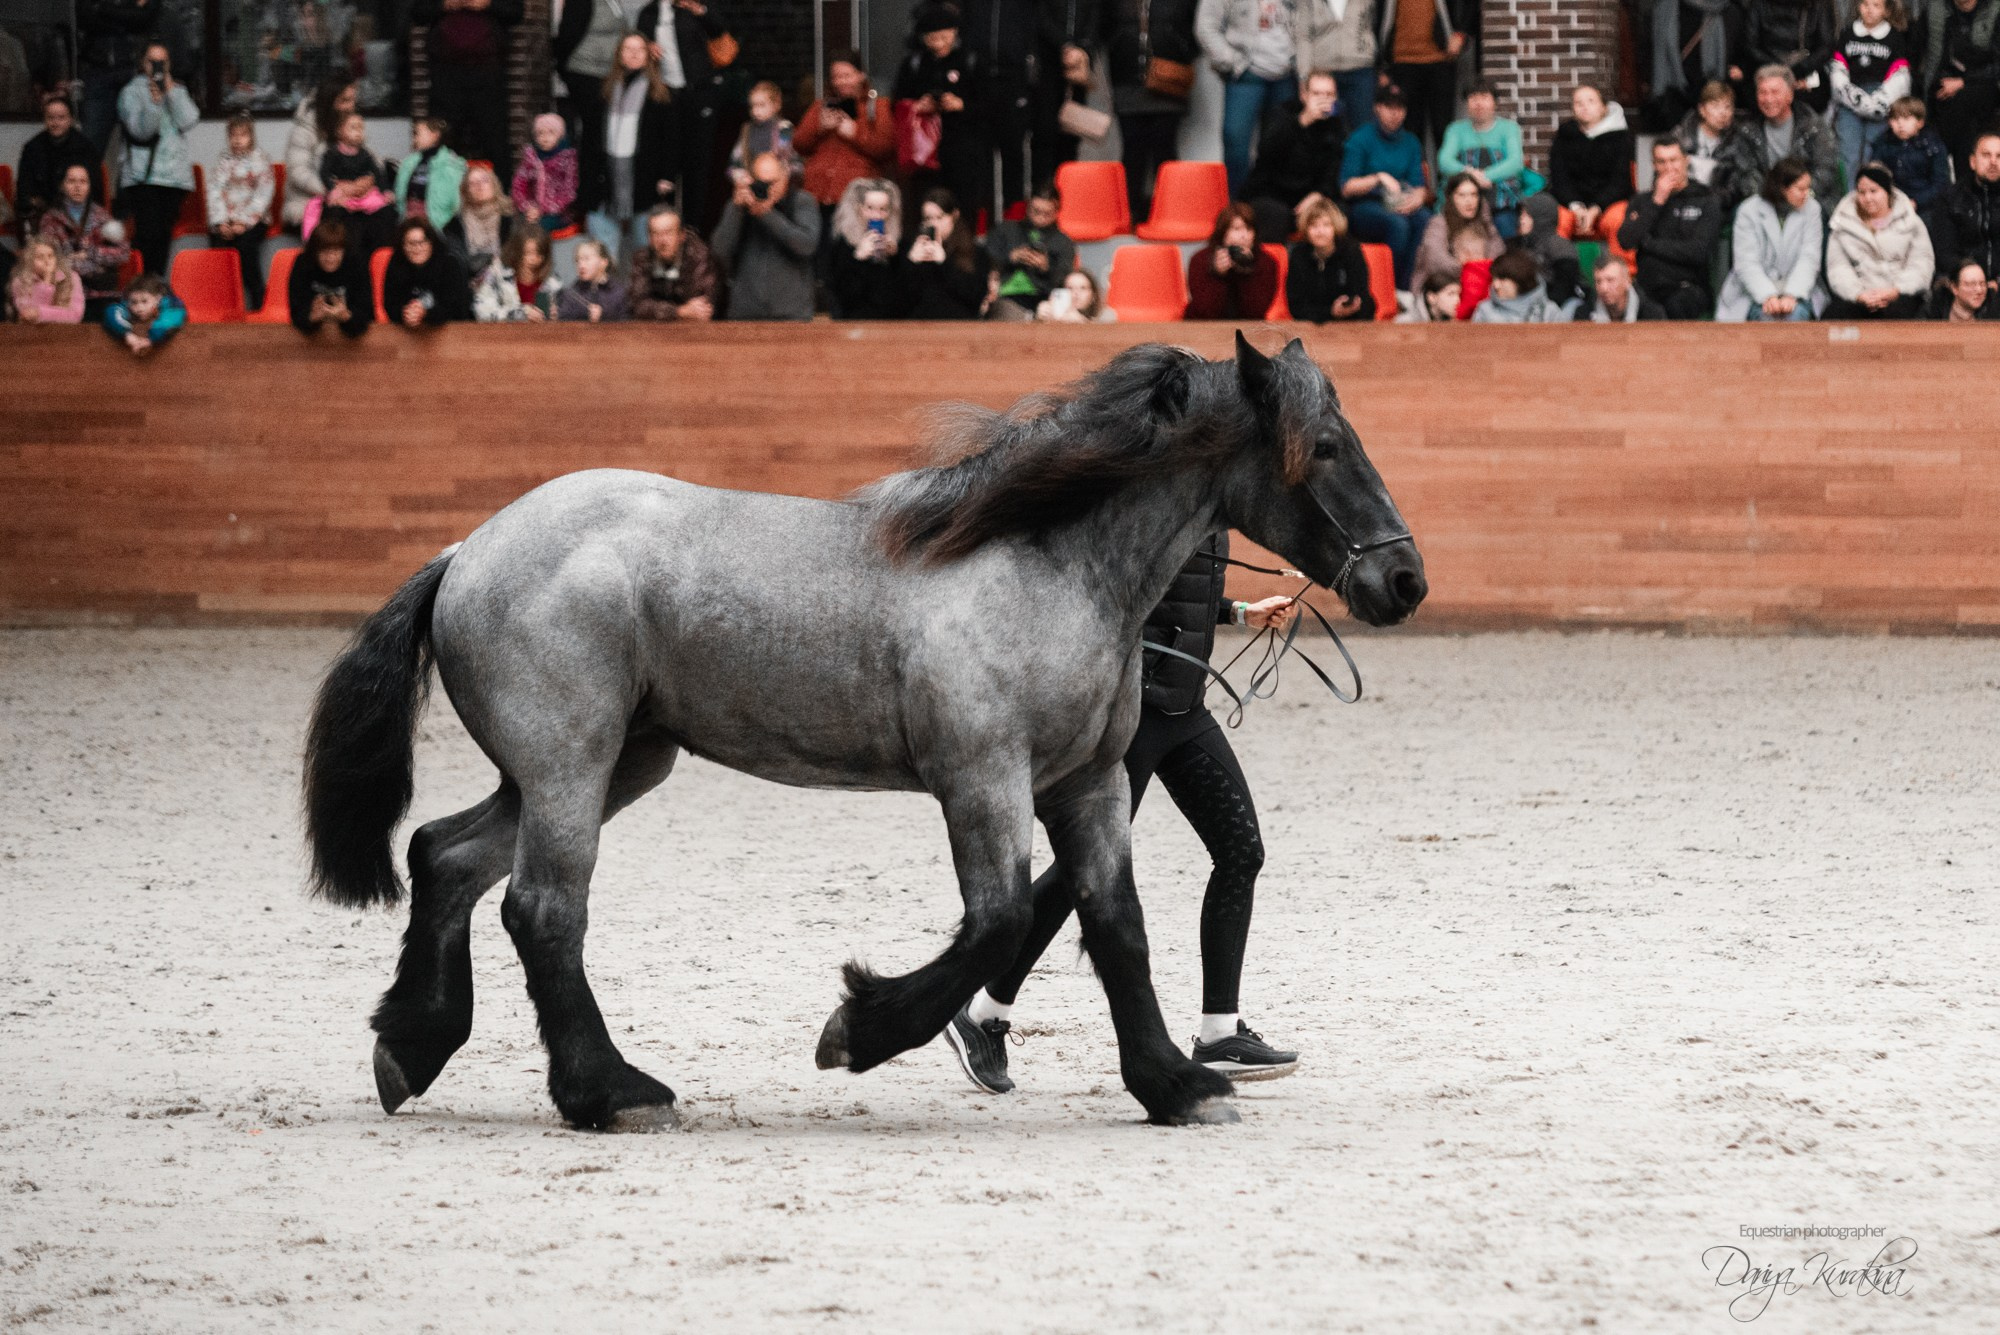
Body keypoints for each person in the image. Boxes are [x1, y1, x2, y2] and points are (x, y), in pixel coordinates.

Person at [944, 537, 1305, 1095]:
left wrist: (1239, 611)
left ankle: (1220, 1033)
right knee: (1082, 872)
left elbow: (1184, 591)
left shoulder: (1207, 505)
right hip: (1130, 714)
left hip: (1185, 712)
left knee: (1241, 851)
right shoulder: (1163, 487)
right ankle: (985, 1010)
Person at [633, 0, 737, 230]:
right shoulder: (647, 14)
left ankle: (693, 231)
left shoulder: (691, 6)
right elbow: (636, 46)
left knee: (697, 167)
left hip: (698, 94)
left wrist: (701, 11)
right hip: (666, 96)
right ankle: (666, 229)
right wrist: (647, 46)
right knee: (666, 166)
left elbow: (720, 29)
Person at [1102, 0, 1200, 223]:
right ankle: (1130, 213)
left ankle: (1170, 213)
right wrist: (1119, 45)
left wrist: (1179, 48)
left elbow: (1198, 29)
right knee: (1132, 149)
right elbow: (1103, 26)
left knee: (1164, 149)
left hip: (1168, 79)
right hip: (1126, 78)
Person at [1196, 0, 1301, 196]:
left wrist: (1301, 63)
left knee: (1281, 145)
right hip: (1246, 75)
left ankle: (1273, 207)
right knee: (1235, 144)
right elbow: (1205, 26)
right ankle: (1239, 213)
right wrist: (1232, 60)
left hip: (1287, 75)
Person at [894, 4, 987, 218]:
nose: (939, 44)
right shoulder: (915, 64)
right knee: (926, 205)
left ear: (955, 33)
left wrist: (961, 105)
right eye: (932, 39)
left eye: (945, 38)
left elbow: (991, 105)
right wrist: (918, 106)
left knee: (964, 209)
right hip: (925, 152)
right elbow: (898, 103)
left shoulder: (971, 60)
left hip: (963, 149)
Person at [117, 40, 199, 275]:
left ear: (169, 64)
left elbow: (189, 120)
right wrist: (155, 104)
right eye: (152, 61)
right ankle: (141, 286)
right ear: (144, 63)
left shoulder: (178, 89)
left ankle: (156, 286)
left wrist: (171, 91)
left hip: (174, 178)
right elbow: (140, 131)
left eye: (162, 62)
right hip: (143, 177)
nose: (157, 66)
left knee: (163, 236)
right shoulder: (130, 92)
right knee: (147, 235)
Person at [592, 32, 677, 259]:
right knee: (603, 248)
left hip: (645, 176)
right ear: (619, 54)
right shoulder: (605, 91)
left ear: (648, 55)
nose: (633, 54)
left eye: (639, 49)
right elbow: (592, 137)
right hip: (609, 176)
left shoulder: (660, 94)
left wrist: (667, 175)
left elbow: (670, 140)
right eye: (628, 49)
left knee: (646, 248)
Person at [409, 0, 523, 170]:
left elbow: (516, 13)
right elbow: (418, 13)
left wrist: (486, 4)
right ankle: (441, 191)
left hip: (488, 72)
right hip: (446, 73)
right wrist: (446, 5)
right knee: (442, 140)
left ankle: (500, 192)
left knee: (495, 140)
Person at [1617, 138, 1724, 318]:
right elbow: (1626, 241)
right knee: (1628, 302)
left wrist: (1649, 245)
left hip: (1687, 287)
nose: (1668, 168)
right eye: (1661, 161)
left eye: (1673, 160)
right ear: (1654, 165)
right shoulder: (1643, 201)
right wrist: (1657, 201)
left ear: (1685, 160)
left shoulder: (1706, 199)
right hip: (1647, 288)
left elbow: (1698, 252)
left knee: (1677, 305)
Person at [1242, 68, 1349, 244]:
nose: (1323, 100)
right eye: (1316, 93)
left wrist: (1319, 194)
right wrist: (1304, 121)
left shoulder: (1336, 124)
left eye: (1329, 94)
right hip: (1271, 193)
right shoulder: (1281, 113)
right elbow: (1267, 154)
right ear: (1303, 95)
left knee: (1340, 212)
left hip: (1310, 196)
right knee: (1276, 215)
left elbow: (1334, 168)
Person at [1340, 88, 1433, 288]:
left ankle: (1407, 288)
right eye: (1388, 107)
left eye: (1399, 108)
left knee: (1425, 219)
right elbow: (1346, 187)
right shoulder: (1360, 139)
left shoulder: (1411, 142)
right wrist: (1378, 178)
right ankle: (1387, 288)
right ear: (1377, 108)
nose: (1394, 113)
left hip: (1400, 202)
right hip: (1365, 205)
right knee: (1398, 225)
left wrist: (1417, 198)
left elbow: (1419, 185)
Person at [712, 150, 821, 321]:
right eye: (761, 183)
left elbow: (806, 245)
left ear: (786, 176)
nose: (767, 189)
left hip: (792, 314)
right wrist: (735, 210)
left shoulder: (802, 201)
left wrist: (767, 214)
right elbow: (719, 251)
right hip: (746, 313)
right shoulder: (740, 205)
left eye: (772, 182)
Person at [1716, 156, 1826, 320]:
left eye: (1808, 188)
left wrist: (1792, 294)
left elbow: (1809, 258)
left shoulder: (1812, 209)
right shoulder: (1749, 210)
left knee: (1795, 316)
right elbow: (1746, 262)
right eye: (1800, 189)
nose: (1806, 194)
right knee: (1766, 316)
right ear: (1782, 188)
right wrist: (1767, 295)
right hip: (1753, 291)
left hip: (1797, 288)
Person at [1719, 65, 1842, 211]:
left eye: (1775, 92)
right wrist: (1772, 198)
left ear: (1790, 95)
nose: (1768, 99)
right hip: (1764, 201)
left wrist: (1797, 195)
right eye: (1762, 92)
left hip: (1808, 200)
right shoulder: (1748, 131)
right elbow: (1745, 173)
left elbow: (1825, 170)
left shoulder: (1813, 127)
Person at [1824, 162, 1935, 318]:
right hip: (1860, 297)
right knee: (1832, 316)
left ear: (1887, 192)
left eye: (1873, 191)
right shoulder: (1842, 223)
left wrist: (1896, 291)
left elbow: (1921, 263)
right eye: (1862, 192)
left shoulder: (1911, 221)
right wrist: (1859, 294)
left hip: (1901, 294)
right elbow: (1838, 268)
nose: (1867, 198)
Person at [793, 51, 898, 213]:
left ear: (861, 75)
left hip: (856, 196)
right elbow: (799, 144)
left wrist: (855, 133)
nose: (841, 82)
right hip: (818, 193)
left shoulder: (877, 106)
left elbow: (886, 148)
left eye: (847, 75)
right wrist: (820, 129)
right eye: (837, 77)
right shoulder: (821, 106)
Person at [1831, 0, 1915, 181]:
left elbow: (1900, 76)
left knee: (1873, 150)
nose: (1869, 10)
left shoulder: (1894, 37)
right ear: (1858, 6)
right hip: (1850, 98)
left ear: (1886, 10)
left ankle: (1871, 195)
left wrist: (1876, 102)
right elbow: (1838, 71)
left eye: (1876, 5)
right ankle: (1849, 200)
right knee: (1848, 150)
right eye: (1865, 4)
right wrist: (1855, 98)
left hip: (1881, 100)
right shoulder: (1847, 34)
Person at [1917, 0, 2000, 178]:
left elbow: (1996, 66)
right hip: (1945, 83)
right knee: (1947, 104)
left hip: (1985, 84)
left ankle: (1949, 164)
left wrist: (1964, 81)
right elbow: (1917, 48)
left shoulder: (1994, 9)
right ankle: (1958, 172)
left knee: (1961, 104)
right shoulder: (1936, 9)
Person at [37, 163, 130, 317]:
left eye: (83, 181)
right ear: (62, 185)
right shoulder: (50, 219)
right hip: (65, 292)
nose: (77, 187)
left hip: (100, 292)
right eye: (72, 181)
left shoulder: (102, 216)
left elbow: (123, 253)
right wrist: (94, 265)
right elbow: (50, 259)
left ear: (90, 185)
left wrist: (91, 252)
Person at [1439, 78, 1527, 236]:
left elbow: (1515, 162)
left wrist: (1486, 176)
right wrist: (1471, 175)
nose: (1478, 103)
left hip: (1501, 201)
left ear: (1495, 103)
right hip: (1462, 202)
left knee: (1505, 228)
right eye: (1473, 98)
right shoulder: (1455, 130)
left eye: (1484, 97)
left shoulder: (1509, 128)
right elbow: (1444, 161)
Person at [1547, 82, 1634, 240]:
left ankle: (1618, 265)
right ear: (1573, 109)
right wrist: (1576, 206)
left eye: (1591, 101)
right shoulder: (1564, 136)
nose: (1584, 107)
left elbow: (1620, 181)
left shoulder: (1620, 138)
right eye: (1578, 103)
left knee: (1618, 221)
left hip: (1608, 203)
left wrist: (1596, 208)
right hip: (1571, 203)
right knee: (1556, 220)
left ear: (1604, 107)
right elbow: (1559, 177)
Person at [1380, 0, 1469, 154]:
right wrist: (1382, 65)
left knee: (1444, 131)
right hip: (1402, 62)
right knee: (1409, 134)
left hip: (1440, 60)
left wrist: (1461, 34)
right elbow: (1376, 16)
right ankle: (1414, 178)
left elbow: (1469, 7)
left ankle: (1448, 177)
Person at [206, 113, 275, 310]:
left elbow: (263, 194)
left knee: (245, 248)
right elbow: (214, 191)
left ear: (251, 137)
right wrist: (220, 222)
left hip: (253, 219)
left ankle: (258, 301)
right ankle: (222, 303)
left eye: (242, 135)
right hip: (226, 219)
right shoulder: (223, 161)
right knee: (218, 244)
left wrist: (243, 222)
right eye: (233, 135)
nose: (237, 140)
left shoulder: (261, 160)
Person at [77, 0, 159, 164]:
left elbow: (145, 18)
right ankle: (86, 189)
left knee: (137, 148)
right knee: (89, 148)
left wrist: (103, 10)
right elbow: (84, 17)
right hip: (98, 71)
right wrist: (127, 17)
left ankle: (128, 191)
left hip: (133, 72)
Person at [896, 187, 991, 319]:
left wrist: (944, 263)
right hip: (920, 328)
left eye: (939, 217)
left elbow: (976, 296)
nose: (933, 224)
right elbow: (900, 301)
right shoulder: (912, 248)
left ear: (954, 216)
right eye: (928, 218)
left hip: (959, 327)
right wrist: (911, 263)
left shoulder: (975, 252)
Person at [985, 179, 1076, 316]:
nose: (1040, 218)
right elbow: (984, 261)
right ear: (1028, 206)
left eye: (1047, 214)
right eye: (1036, 211)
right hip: (1005, 297)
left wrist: (1046, 267)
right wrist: (1010, 257)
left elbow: (1066, 280)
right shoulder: (1005, 231)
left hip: (1043, 298)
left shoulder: (1063, 242)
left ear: (1057, 211)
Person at [16, 94, 103, 235]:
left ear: (71, 119)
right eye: (50, 118)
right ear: (45, 119)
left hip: (78, 211)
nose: (55, 123)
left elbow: (95, 189)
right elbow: (24, 188)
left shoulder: (85, 148)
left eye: (61, 118)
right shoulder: (32, 148)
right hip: (42, 212)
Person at [314, 110, 397, 256]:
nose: (358, 132)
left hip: (364, 192)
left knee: (386, 210)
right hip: (342, 192)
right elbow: (324, 173)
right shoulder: (332, 153)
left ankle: (381, 257)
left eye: (361, 128)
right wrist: (333, 188)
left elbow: (378, 173)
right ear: (340, 132)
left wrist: (385, 191)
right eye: (353, 128)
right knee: (334, 211)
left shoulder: (365, 154)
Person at [1410, 170, 1503, 300]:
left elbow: (1498, 252)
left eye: (1473, 195)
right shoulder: (1439, 223)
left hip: (1477, 284)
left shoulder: (1484, 222)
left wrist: (1479, 270)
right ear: (1452, 198)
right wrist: (1471, 269)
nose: (1469, 201)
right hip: (1440, 287)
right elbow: (1435, 259)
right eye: (1462, 195)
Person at [1735, 0, 1839, 113]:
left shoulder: (1819, 5)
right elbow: (1750, 46)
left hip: (1806, 71)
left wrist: (1798, 71)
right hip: (1766, 70)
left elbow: (1826, 47)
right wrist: (1781, 73)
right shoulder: (1759, 4)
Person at [1650, 0, 1744, 125]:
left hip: (1714, 96)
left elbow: (1741, 51)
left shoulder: (1729, 11)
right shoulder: (1665, 8)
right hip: (1674, 94)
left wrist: (1739, 71)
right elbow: (1652, 51)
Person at [1285, 196, 1375, 321]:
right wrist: (1330, 312)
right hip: (1311, 326)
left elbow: (1362, 294)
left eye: (1327, 225)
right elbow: (1296, 305)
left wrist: (1352, 306)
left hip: (1351, 323)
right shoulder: (1298, 255)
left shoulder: (1351, 251)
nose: (1320, 231)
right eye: (1314, 226)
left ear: (1335, 227)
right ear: (1306, 228)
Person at [1293, 0, 1378, 131]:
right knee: (1323, 129)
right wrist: (1304, 75)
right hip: (1323, 73)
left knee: (1362, 130)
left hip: (1360, 70)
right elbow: (1303, 35)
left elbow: (1378, 21)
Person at [285, 76, 357, 230]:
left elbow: (365, 159)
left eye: (352, 100)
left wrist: (365, 182)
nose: (351, 107)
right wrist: (331, 190)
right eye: (345, 100)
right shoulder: (304, 130)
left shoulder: (348, 127)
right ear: (329, 102)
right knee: (343, 220)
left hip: (344, 200)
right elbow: (298, 172)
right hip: (305, 205)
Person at [827, 177, 905, 318]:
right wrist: (858, 258)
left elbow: (904, 297)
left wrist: (895, 258)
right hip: (853, 324)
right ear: (859, 208)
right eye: (870, 208)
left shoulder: (897, 242)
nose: (876, 216)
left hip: (890, 326)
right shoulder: (843, 244)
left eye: (883, 209)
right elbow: (842, 297)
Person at [626, 205, 721, 320]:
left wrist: (660, 310)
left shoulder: (699, 257)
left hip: (694, 331)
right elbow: (636, 306)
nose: (662, 241)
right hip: (652, 332)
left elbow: (703, 309)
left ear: (682, 235)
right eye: (656, 234)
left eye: (668, 232)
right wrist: (679, 311)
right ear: (649, 238)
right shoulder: (642, 259)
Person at [1187, 201, 1279, 318]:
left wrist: (1246, 271)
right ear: (1223, 233)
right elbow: (1205, 311)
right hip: (1204, 328)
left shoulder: (1266, 262)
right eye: (1236, 229)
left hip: (1247, 329)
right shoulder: (1200, 260)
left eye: (1249, 229)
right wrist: (1218, 275)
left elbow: (1256, 312)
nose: (1244, 236)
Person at [1933, 129, 2000, 286]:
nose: (1993, 162)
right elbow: (1945, 253)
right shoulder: (1950, 198)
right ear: (1972, 161)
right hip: (1963, 282)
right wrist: (1977, 281)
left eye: (1999, 156)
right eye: (1986, 155)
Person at [289, 219, 374, 337]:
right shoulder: (303, 263)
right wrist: (312, 317)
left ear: (344, 251)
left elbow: (366, 313)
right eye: (324, 251)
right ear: (315, 251)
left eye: (336, 251)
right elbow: (296, 311)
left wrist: (345, 316)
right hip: (309, 340)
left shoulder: (356, 264)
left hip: (352, 340)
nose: (330, 258)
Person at [382, 217, 472, 327]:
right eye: (410, 243)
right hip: (406, 332)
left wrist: (426, 314)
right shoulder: (396, 264)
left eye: (422, 242)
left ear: (431, 243)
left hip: (449, 331)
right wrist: (405, 313)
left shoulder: (449, 265)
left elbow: (455, 308)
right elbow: (390, 304)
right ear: (403, 246)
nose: (417, 248)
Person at [1876, 95, 1954, 217]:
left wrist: (1917, 201)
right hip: (1894, 201)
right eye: (1895, 119)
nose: (1900, 124)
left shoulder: (1933, 146)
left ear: (1920, 122)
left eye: (1906, 118)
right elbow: (1876, 175)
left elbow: (1940, 183)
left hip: (1927, 204)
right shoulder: (1883, 144)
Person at [442, 163, 518, 282]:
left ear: (494, 185)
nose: (480, 186)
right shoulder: (454, 225)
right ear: (465, 191)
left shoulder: (511, 219)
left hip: (507, 282)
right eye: (473, 183)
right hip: (469, 283)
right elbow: (455, 262)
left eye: (484, 180)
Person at [1673, 79, 1745, 202]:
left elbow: (1735, 186)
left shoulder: (1737, 140)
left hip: (1718, 204)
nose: (1723, 113)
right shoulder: (1681, 136)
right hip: (1682, 200)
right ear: (1702, 109)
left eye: (1728, 107)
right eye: (1715, 106)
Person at [394, 117, 470, 230]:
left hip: (437, 221)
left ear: (434, 135)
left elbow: (457, 199)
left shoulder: (451, 164)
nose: (415, 138)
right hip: (409, 219)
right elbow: (400, 193)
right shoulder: (409, 162)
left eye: (418, 133)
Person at [512, 112, 580, 235]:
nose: (545, 138)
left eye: (550, 133)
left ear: (559, 135)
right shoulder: (530, 158)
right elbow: (519, 184)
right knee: (519, 226)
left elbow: (569, 192)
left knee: (539, 228)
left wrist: (543, 209)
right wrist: (527, 207)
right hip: (531, 209)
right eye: (540, 133)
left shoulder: (567, 159)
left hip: (557, 211)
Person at [1517, 191, 1584, 309]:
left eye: (1526, 215)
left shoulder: (1559, 246)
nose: (1521, 220)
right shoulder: (1522, 245)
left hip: (1559, 308)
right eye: (1521, 215)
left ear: (1540, 218)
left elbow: (1564, 288)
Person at [1470, 246, 1575, 321]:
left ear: (1519, 280)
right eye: (1494, 278)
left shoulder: (1548, 311)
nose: (1495, 285)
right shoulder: (1485, 310)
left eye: (1502, 279)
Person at [473, 227, 556, 321]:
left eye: (539, 254)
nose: (533, 259)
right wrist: (518, 314)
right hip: (503, 333)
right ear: (517, 252)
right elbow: (481, 310)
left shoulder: (553, 282)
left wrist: (556, 315)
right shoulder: (497, 274)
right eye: (528, 253)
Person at [727, 80, 797, 188]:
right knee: (732, 205)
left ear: (776, 105)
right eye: (752, 106)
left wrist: (779, 176)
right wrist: (741, 177)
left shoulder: (784, 128)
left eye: (761, 105)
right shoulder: (747, 130)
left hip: (778, 186)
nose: (756, 111)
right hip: (751, 185)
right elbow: (733, 166)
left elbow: (789, 160)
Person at [102, 271, 184, 354]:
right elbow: (112, 312)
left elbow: (172, 318)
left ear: (157, 299)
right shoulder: (126, 305)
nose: (139, 308)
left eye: (144, 301)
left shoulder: (171, 304)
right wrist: (128, 335)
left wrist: (151, 339)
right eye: (134, 302)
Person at [8, 238, 86, 324]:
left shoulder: (72, 277)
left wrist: (40, 313)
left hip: (64, 333)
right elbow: (28, 314)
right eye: (40, 257)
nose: (47, 261)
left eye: (50, 256)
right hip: (31, 334)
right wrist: (46, 281)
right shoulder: (20, 282)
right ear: (29, 260)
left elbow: (75, 315)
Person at [1572, 253, 1663, 322]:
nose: (1604, 288)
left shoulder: (1652, 315)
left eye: (1610, 280)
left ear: (1627, 281)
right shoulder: (1584, 315)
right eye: (1598, 281)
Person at [554, 237, 628, 320]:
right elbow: (565, 319)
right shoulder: (571, 293)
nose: (581, 265)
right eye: (577, 260)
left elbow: (627, 321)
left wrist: (604, 316)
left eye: (586, 259)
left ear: (604, 262)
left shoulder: (619, 292)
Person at [1923, 255, 1997, 316]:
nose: (1979, 290)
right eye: (1971, 284)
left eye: (1982, 284)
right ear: (1954, 288)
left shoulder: (1993, 310)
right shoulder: (1933, 311)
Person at [1035, 266, 1116, 320]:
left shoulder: (1106, 315)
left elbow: (1103, 340)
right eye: (1070, 288)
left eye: (1083, 288)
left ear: (1093, 296)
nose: (1076, 293)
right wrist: (1040, 321)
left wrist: (1081, 324)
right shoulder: (1055, 314)